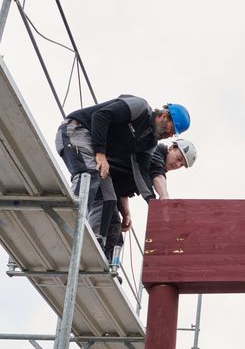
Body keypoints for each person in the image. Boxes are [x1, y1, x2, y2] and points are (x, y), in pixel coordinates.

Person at [54, 96, 191, 245]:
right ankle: (71, 219)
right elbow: (100, 116)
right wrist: (101, 153)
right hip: (76, 131)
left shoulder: (150, 142)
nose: (170, 135)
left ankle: (98, 241)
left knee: (109, 197)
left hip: (94, 151)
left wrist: (153, 203)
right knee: (90, 175)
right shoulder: (140, 108)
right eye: (172, 129)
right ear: (164, 116)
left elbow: (141, 171)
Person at [104, 139, 198, 261]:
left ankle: (109, 266)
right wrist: (165, 202)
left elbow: (122, 191)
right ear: (171, 148)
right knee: (110, 227)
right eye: (179, 159)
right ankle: (98, 258)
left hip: (109, 190)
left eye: (182, 165)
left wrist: (126, 214)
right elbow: (158, 176)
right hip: (99, 179)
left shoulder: (155, 163)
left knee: (116, 237)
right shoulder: (155, 151)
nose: (177, 165)